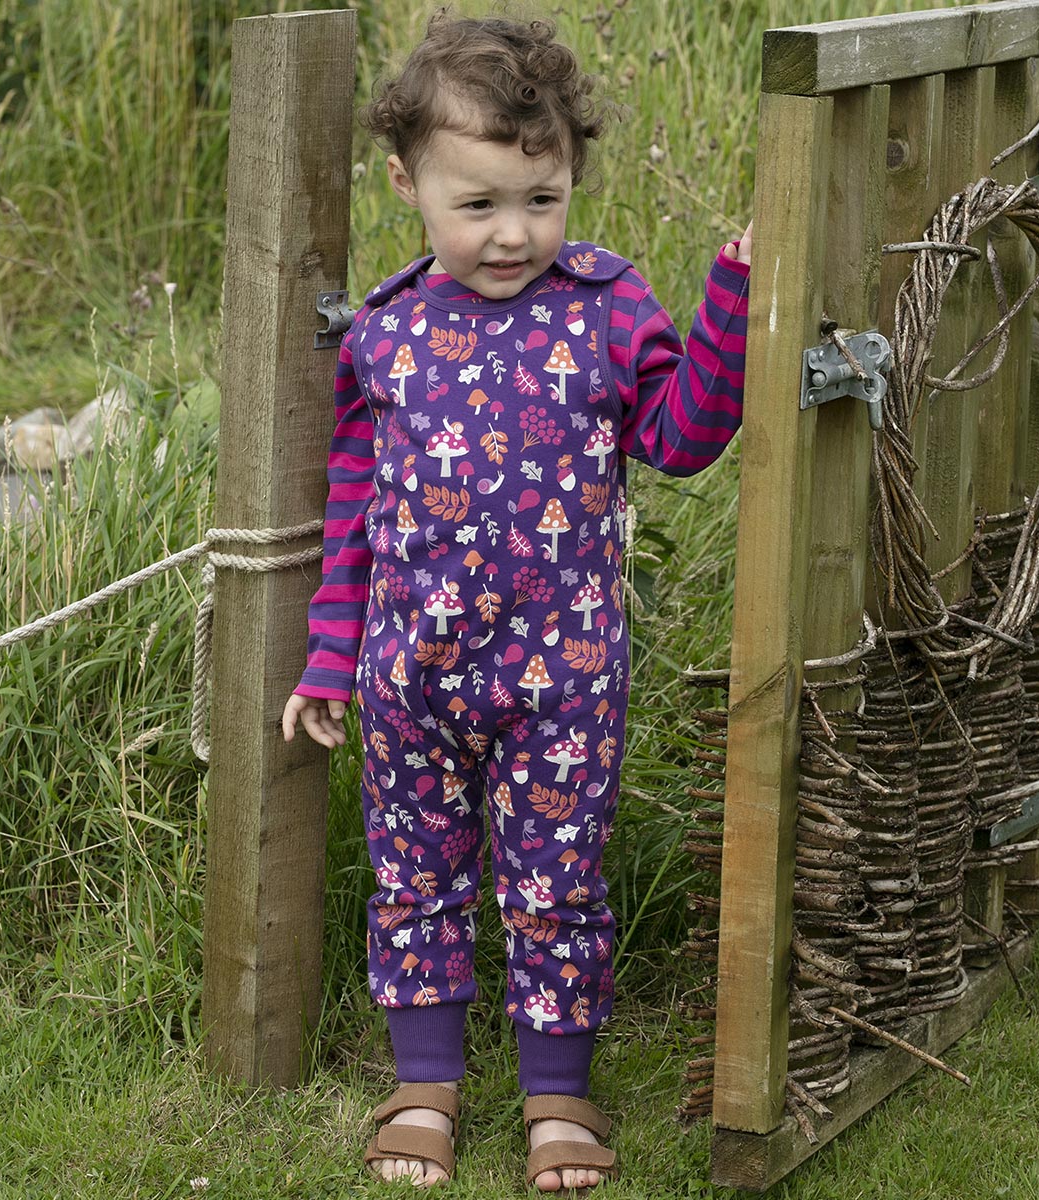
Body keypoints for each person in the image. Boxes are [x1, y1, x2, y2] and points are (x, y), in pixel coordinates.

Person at [282, 9, 751, 1191]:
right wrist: (329, 661)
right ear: (407, 183)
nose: (512, 233)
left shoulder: (606, 309)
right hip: (410, 677)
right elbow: (354, 518)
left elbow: (686, 438)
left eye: (541, 200)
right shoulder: (384, 336)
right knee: (416, 876)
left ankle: (558, 1096)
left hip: (565, 677)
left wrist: (734, 299)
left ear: (572, 179)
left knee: (556, 882)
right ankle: (424, 1090)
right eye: (477, 203)